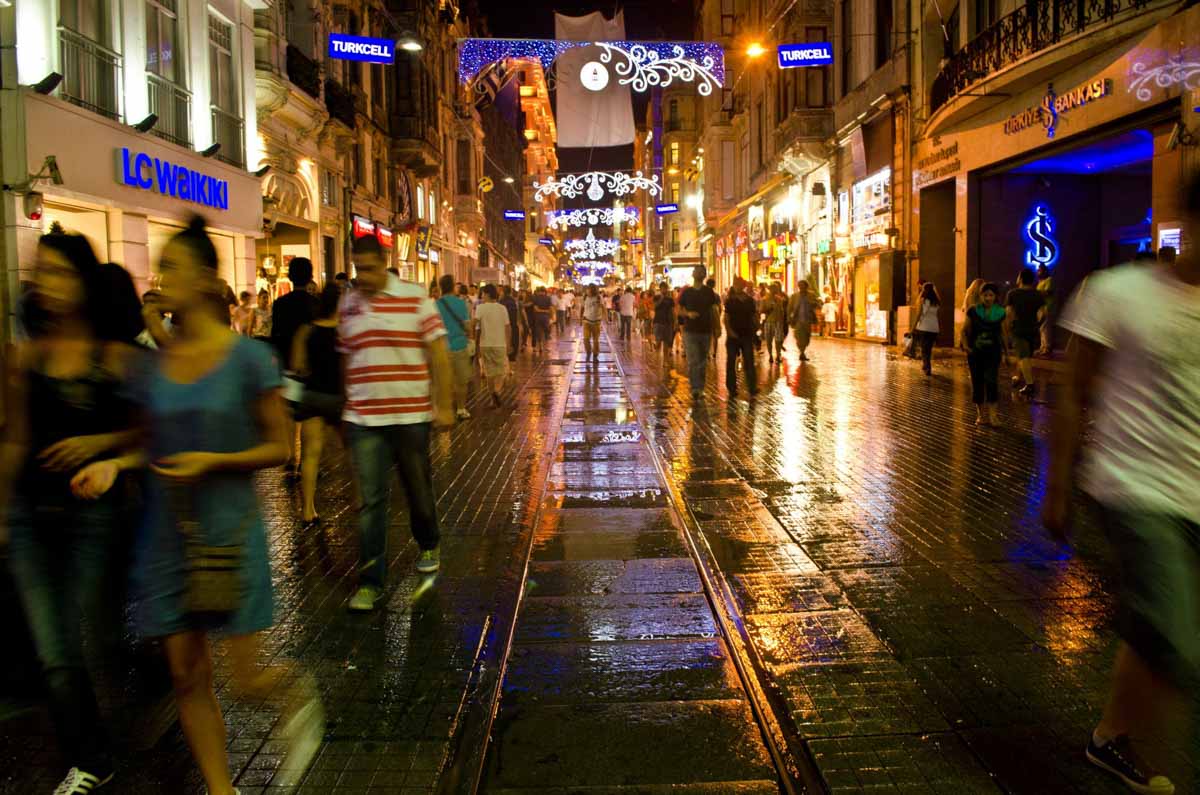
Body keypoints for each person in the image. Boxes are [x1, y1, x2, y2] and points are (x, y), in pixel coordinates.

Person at [74, 217, 324, 794]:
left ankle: (294, 696)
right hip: (165, 536)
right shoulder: (158, 362)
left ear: (207, 279)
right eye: (163, 268)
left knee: (247, 679)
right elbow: (146, 442)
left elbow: (274, 445)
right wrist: (113, 463)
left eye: (176, 268)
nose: (165, 278)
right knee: (188, 675)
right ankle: (221, 789)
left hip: (227, 530)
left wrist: (211, 460)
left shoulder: (248, 359)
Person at [1044, 170, 1200, 795]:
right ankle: (1156, 755)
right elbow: (1073, 395)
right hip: (1133, 487)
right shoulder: (1115, 292)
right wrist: (1057, 487)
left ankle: (1110, 738)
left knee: (1153, 626)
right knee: (1177, 641)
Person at [0, 232, 139, 795]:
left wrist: (100, 446)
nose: (46, 285)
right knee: (56, 648)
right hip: (33, 516)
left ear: (83, 283)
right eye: (41, 273)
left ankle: (129, 708)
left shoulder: (115, 357)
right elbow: (15, 438)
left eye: (58, 273)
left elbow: (153, 431)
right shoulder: (26, 356)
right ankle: (90, 758)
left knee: (92, 639)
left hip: (93, 516)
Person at [340, 234, 453, 611]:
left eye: (369, 269)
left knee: (417, 487)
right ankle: (371, 582)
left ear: (384, 261)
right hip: (364, 417)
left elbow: (438, 352)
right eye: (359, 270)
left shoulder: (415, 297)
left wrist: (444, 405)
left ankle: (428, 541)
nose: (363, 277)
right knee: (370, 502)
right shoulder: (349, 304)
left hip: (409, 414)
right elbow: (346, 357)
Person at [289, 283, 343, 528]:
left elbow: (298, 365)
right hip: (338, 398)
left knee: (310, 456)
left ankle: (308, 509)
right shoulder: (344, 332)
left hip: (312, 396)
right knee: (354, 453)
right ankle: (362, 503)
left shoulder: (306, 331)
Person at [269, 257, 317, 475]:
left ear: (290, 276)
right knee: (308, 415)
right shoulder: (316, 304)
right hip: (311, 366)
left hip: (287, 363)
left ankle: (290, 457)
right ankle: (307, 460)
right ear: (310, 276)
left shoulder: (279, 304)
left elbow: (276, 335)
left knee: (289, 413)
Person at [960, 282, 1007, 426]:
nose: (988, 298)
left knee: (992, 381)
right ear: (980, 296)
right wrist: (966, 346)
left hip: (993, 352)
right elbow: (964, 330)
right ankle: (981, 415)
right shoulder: (973, 311)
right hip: (975, 353)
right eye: (985, 295)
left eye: (991, 295)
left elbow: (1003, 333)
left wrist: (1006, 353)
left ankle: (993, 416)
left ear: (995, 297)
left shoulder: (1000, 312)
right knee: (977, 382)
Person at [678, 266, 720, 399]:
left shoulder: (709, 292)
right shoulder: (687, 292)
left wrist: (717, 327)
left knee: (702, 361)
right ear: (693, 274)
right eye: (697, 270)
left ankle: (700, 387)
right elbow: (679, 309)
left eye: (702, 271)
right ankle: (695, 388)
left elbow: (714, 310)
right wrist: (688, 314)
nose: (699, 273)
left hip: (705, 330)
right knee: (693, 360)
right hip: (690, 330)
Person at [436, 274, 473, 421]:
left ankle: (444, 409)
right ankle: (461, 409)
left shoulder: (435, 304)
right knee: (461, 380)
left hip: (441, 347)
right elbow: (467, 325)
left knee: (444, 380)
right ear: (452, 287)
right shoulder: (460, 303)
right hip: (459, 345)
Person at [1006, 267, 1044, 397]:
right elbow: (1043, 313)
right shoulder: (1038, 294)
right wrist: (1038, 324)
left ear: (1021, 278)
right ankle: (1018, 377)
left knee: (1023, 356)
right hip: (1033, 330)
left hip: (1018, 329)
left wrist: (1007, 327)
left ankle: (1030, 385)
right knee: (1024, 355)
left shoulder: (1013, 294)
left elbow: (1009, 313)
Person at [474, 284, 510, 407]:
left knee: (489, 372)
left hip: (485, 344)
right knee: (500, 372)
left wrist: (475, 341)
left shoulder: (480, 308)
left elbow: (475, 325)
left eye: (483, 293)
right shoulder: (502, 308)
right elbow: (507, 327)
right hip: (500, 344)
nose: (482, 296)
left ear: (488, 294)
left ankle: (492, 397)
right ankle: (496, 391)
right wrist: (509, 343)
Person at [724, 278, 758, 398]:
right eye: (735, 284)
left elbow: (754, 316)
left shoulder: (749, 301)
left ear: (743, 286)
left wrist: (755, 330)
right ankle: (731, 387)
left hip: (746, 334)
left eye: (739, 284)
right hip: (733, 336)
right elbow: (726, 318)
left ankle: (752, 387)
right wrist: (729, 331)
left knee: (749, 361)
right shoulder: (729, 301)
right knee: (731, 362)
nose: (737, 286)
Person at [911, 282, 941, 376]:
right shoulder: (936, 302)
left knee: (924, 348)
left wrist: (913, 327)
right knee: (929, 348)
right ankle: (926, 365)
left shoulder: (923, 301)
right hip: (934, 328)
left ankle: (927, 366)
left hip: (924, 327)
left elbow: (919, 314)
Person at [787, 280, 818, 362]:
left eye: (803, 286)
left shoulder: (811, 295)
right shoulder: (794, 296)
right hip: (798, 320)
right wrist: (789, 318)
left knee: (807, 337)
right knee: (799, 337)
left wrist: (813, 303)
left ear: (806, 286)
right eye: (799, 286)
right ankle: (802, 352)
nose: (801, 287)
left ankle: (803, 351)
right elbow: (789, 308)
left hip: (808, 319)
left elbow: (817, 304)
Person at [761, 282, 788, 363]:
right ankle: (770, 355)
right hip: (768, 322)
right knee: (769, 340)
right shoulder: (765, 299)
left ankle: (778, 355)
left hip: (778, 322)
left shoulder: (779, 299)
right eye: (773, 289)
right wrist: (769, 308)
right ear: (770, 290)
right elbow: (761, 310)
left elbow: (782, 311)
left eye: (776, 289)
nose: (775, 290)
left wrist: (783, 321)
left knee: (778, 340)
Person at [653, 282, 677, 361]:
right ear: (660, 289)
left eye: (665, 288)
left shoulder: (670, 299)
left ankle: (665, 361)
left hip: (667, 322)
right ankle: (656, 345)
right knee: (659, 341)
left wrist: (675, 320)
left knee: (666, 342)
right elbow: (655, 306)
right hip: (658, 321)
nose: (664, 290)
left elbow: (673, 310)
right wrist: (661, 298)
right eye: (662, 288)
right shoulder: (656, 297)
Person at [581, 284, 605, 363]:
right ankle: (588, 352)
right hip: (586, 321)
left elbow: (603, 307)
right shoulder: (584, 297)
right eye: (587, 289)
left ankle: (595, 355)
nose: (587, 291)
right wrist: (580, 319)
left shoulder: (598, 297)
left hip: (596, 322)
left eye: (589, 289)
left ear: (593, 290)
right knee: (586, 339)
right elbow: (582, 308)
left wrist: (606, 318)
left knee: (596, 340)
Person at [1035, 264, 1054, 356]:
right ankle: (1042, 347)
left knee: (1045, 328)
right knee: (1041, 329)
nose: (1038, 272)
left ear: (1045, 271)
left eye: (1039, 270)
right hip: (1040, 308)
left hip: (1047, 307)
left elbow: (1048, 292)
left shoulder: (1049, 280)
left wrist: (1035, 293)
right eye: (1038, 270)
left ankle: (1047, 347)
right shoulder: (1040, 282)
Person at [499, 285, 520, 362]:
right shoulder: (513, 301)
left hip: (504, 326)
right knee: (513, 346)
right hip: (513, 325)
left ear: (503, 292)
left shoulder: (501, 302)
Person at [531, 286, 553, 354]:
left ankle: (540, 347)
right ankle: (546, 347)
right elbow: (550, 309)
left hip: (537, 316)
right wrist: (548, 313)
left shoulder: (535, 298)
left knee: (539, 332)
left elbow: (535, 309)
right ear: (545, 291)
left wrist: (540, 310)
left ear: (539, 291)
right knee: (547, 331)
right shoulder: (548, 298)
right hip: (546, 317)